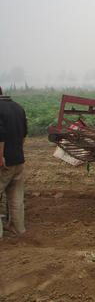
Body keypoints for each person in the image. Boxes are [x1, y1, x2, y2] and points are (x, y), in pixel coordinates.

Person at [0, 87, 28, 237]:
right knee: (16, 198)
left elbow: (1, 135)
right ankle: (19, 230)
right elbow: (24, 134)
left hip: (4, 162)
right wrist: (17, 151)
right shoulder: (18, 107)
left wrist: (1, 156)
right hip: (18, 160)